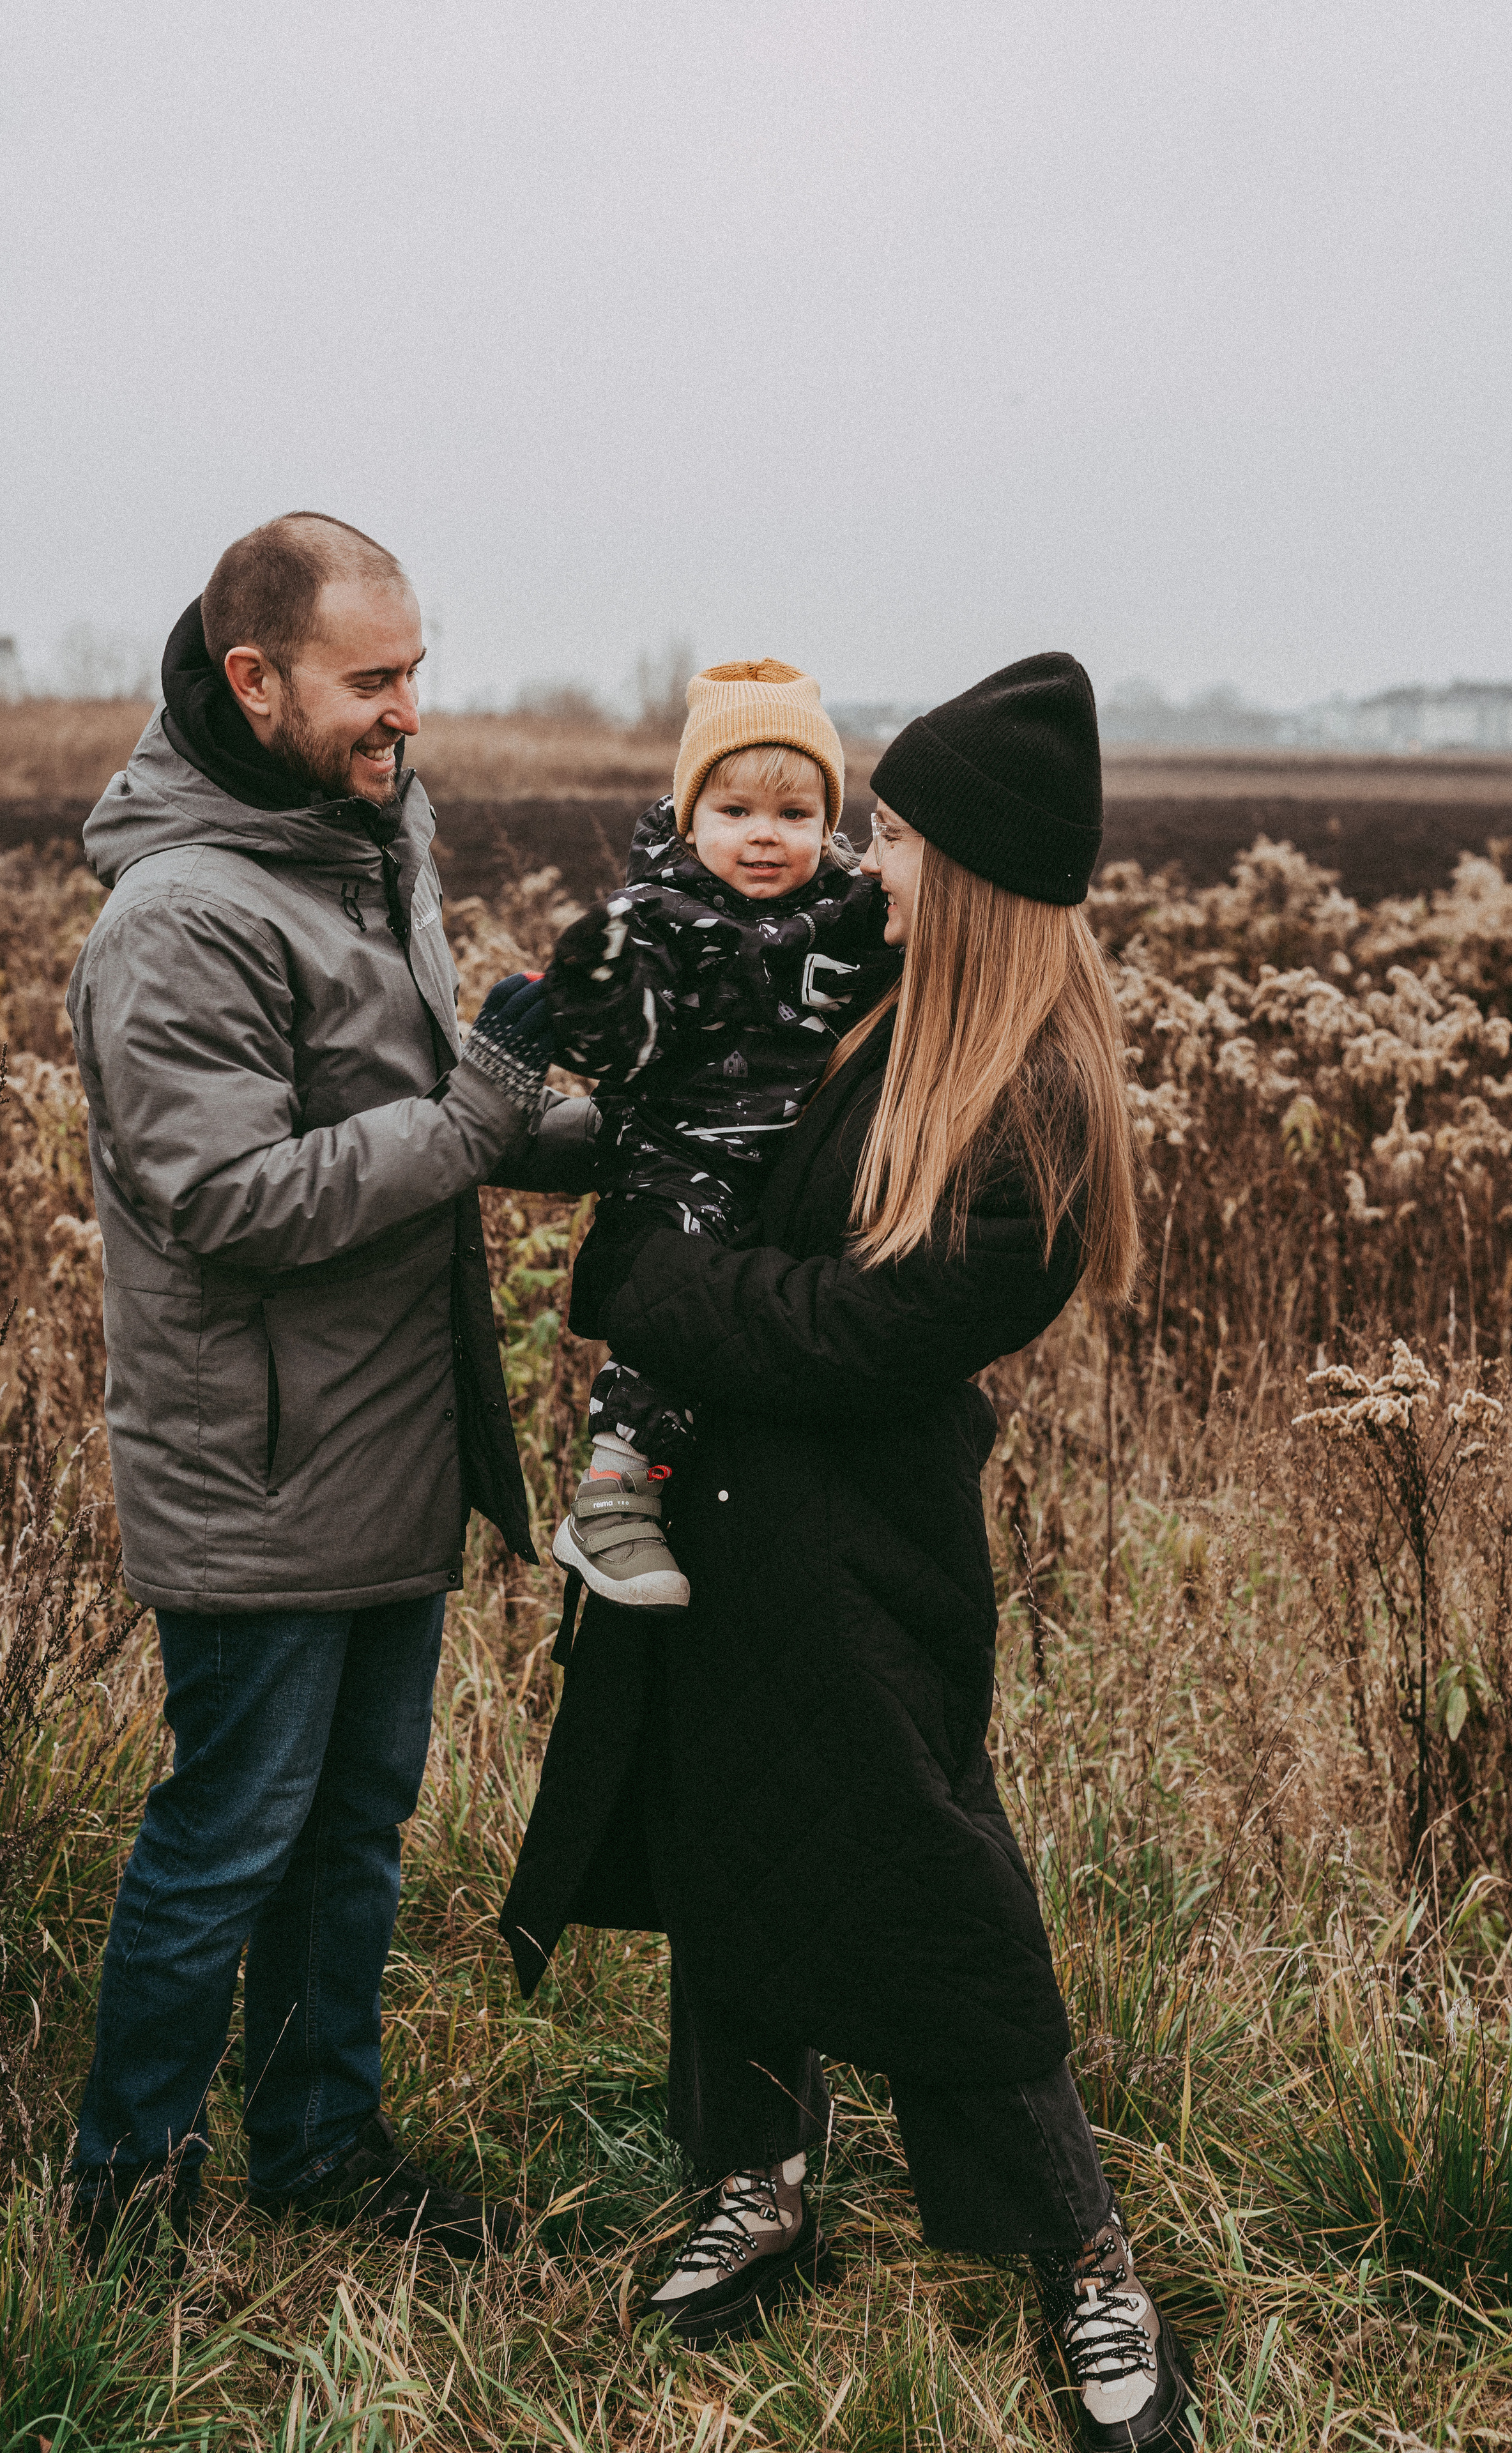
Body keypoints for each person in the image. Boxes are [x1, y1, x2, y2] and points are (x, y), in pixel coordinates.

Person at [501, 655, 1194, 2450]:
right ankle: (760, 2173)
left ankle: (1079, 2253)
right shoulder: (860, 995)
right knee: (724, 1825)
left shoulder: (1029, 1097)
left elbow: (854, 1329)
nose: (864, 859)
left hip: (862, 1539)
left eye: (896, 834)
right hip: (725, 1505)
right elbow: (692, 1090)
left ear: (966, 874)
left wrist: (640, 1278)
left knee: (922, 1865)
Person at [65, 512, 564, 2272]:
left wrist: (616, 1127)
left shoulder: (363, 842)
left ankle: (320, 2149)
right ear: (254, 679)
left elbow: (430, 1091)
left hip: (387, 1447)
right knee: (230, 1838)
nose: (409, 712)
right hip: (261, 1464)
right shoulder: (183, 917)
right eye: (375, 680)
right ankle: (124, 2200)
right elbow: (231, 1201)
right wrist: (487, 1121)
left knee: (354, 1828)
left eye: (418, 672)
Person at [545, 659, 896, 1609]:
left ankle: (725, 1496)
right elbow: (627, 1037)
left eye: (792, 817)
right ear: (690, 816)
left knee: (786, 1309)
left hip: (794, 1154)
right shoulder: (663, 919)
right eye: (734, 811)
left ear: (829, 826)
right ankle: (612, 1493)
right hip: (683, 1153)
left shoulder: (848, 910)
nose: (763, 838)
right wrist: (599, 997)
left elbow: (918, 951)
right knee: (677, 1295)